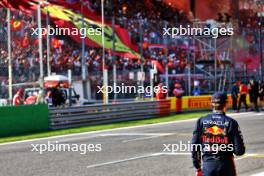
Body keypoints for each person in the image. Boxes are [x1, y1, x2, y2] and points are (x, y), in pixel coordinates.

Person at [192, 92, 245, 176]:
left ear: (211, 104)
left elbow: (194, 146)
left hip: (208, 166)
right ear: (226, 104)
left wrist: (197, 166)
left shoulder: (201, 121)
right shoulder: (231, 122)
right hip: (226, 166)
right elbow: (239, 151)